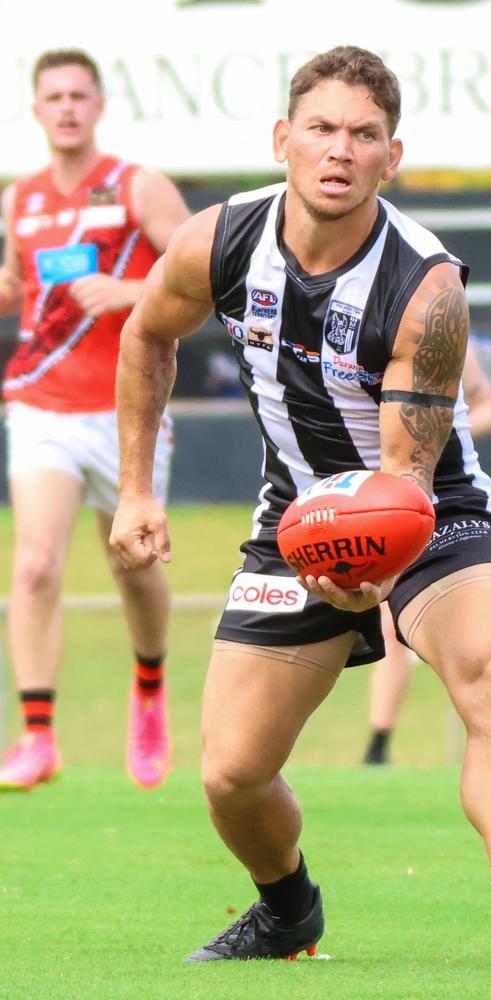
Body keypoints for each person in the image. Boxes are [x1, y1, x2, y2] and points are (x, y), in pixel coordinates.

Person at [110, 46, 491, 969]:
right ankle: (288, 910)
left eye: (363, 135)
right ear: (283, 139)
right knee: (230, 772)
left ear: (392, 155)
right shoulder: (218, 242)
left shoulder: (427, 289)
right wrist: (139, 486)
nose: (340, 150)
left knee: (490, 667)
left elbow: (404, 485)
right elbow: (145, 337)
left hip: (429, 508)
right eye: (324, 129)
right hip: (292, 517)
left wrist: (368, 575)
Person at [0, 49, 190, 791]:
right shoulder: (20, 199)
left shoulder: (135, 184)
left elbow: (204, 269)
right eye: (54, 96)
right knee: (36, 564)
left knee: (130, 562)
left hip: (127, 407)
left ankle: (148, 688)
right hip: (41, 402)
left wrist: (130, 288)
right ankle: (37, 735)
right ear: (38, 109)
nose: (68, 106)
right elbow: (15, 284)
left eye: (80, 94)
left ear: (100, 105)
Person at [364, 343, 491, 764]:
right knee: (387, 628)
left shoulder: (451, 341)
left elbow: (489, 406)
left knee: (393, 626)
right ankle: (378, 744)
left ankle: (378, 744)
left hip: (427, 498)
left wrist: (442, 427)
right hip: (364, 495)